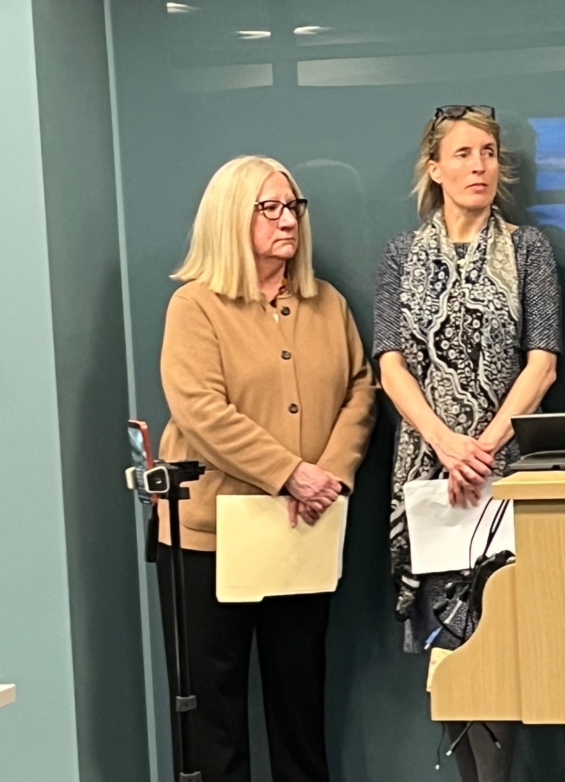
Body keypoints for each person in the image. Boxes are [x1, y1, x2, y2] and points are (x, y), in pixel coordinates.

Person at [157, 155, 376, 782]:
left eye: (294, 207)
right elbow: (199, 409)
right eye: (270, 208)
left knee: (300, 708)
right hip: (209, 539)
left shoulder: (327, 303)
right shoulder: (195, 306)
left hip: (303, 529)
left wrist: (328, 475)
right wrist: (289, 473)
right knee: (213, 719)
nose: (288, 221)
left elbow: (361, 391)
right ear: (231, 218)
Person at [373, 105, 561, 782]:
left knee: (502, 635)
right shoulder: (400, 255)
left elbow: (543, 363)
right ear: (435, 168)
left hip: (504, 470)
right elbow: (390, 364)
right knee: (448, 642)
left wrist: (482, 446)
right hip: (430, 475)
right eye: (462, 153)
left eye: (488, 153)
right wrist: (447, 443)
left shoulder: (528, 249)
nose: (479, 166)